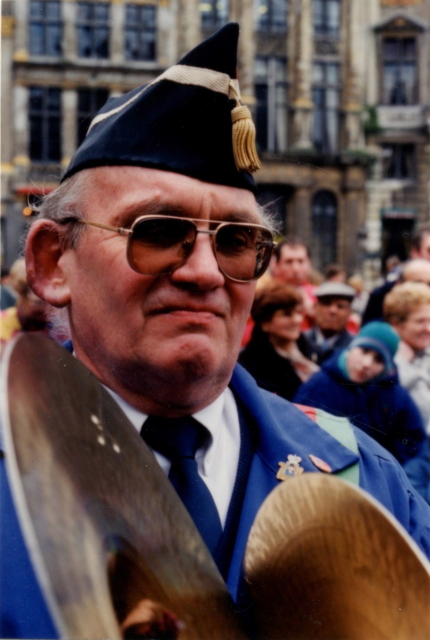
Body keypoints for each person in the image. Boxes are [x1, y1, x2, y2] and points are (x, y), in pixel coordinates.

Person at [2, 23, 430, 638]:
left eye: (237, 241)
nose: (205, 272)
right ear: (51, 262)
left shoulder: (362, 476)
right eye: (155, 231)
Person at [294, 322, 427, 473]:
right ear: (351, 348)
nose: (366, 363)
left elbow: (412, 439)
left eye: (378, 360)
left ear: (387, 367)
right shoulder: (319, 385)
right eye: (364, 351)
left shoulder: (395, 395)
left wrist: (388, 467)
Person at [239, 281, 319, 400]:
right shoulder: (250, 366)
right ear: (265, 323)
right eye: (286, 314)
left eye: (298, 312)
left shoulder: (314, 349)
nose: (297, 320)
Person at [384, 282, 430, 431]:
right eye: (420, 321)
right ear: (396, 324)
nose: (428, 329)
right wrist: (402, 362)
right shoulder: (383, 359)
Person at [0, 258, 51, 353]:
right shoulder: (3, 324)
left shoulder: (56, 327)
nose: (46, 308)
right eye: (38, 303)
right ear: (22, 296)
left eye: (50, 302)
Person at [303, 281, 355, 365]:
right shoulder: (301, 341)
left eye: (340, 306)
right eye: (326, 304)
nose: (333, 311)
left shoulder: (355, 347)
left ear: (349, 313)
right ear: (314, 308)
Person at [271, 238, 316, 328]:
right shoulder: (267, 295)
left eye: (301, 261)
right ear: (276, 265)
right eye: (289, 261)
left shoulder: (319, 295)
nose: (295, 268)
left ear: (309, 264)